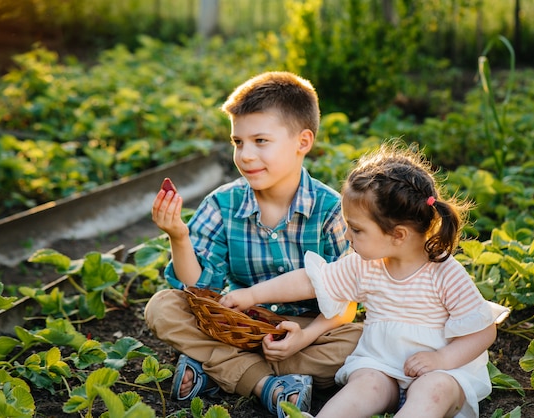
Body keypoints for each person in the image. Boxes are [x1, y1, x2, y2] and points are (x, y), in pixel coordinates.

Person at [220, 140, 510, 418]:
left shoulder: (444, 272)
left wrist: (441, 360)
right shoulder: (364, 265)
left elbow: (483, 332)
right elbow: (310, 281)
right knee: (363, 386)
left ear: (398, 235)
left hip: (441, 370)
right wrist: (253, 295)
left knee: (433, 391)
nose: (347, 236)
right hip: (382, 365)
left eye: (356, 230)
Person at [144, 71, 363, 418]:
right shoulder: (222, 204)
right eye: (237, 142)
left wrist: (306, 337)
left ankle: (216, 369)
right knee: (163, 307)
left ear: (302, 142)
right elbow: (198, 289)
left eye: (260, 141)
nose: (245, 155)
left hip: (306, 330)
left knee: (359, 341)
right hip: (236, 323)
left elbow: (346, 301)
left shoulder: (332, 210)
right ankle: (270, 385)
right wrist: (178, 237)